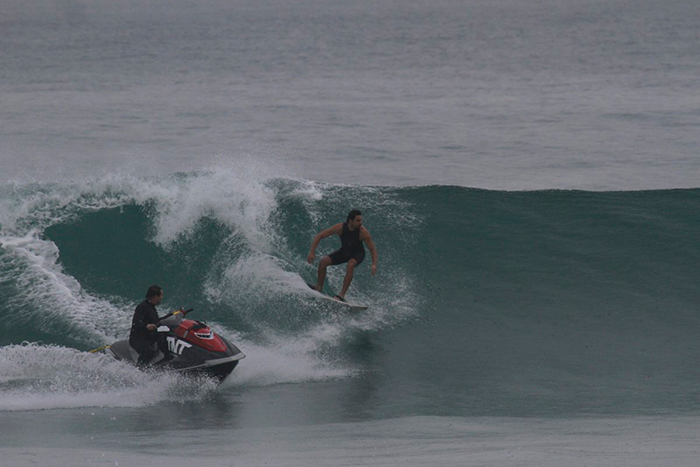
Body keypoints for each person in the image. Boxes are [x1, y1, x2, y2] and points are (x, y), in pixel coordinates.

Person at [307, 209, 378, 301]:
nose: (360, 223)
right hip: (344, 252)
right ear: (350, 220)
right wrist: (312, 252)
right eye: (358, 220)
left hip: (358, 254)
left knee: (350, 264)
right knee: (323, 262)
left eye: (361, 220)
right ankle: (318, 287)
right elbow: (319, 236)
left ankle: (341, 295)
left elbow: (372, 249)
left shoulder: (363, 232)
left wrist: (374, 264)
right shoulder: (340, 228)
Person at [129, 285, 166, 366]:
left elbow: (156, 321)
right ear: (156, 297)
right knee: (148, 351)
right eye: (161, 295)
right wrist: (146, 326)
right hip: (137, 339)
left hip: (148, 337)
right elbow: (136, 323)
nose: (162, 297)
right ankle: (139, 370)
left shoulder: (152, 307)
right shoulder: (142, 307)